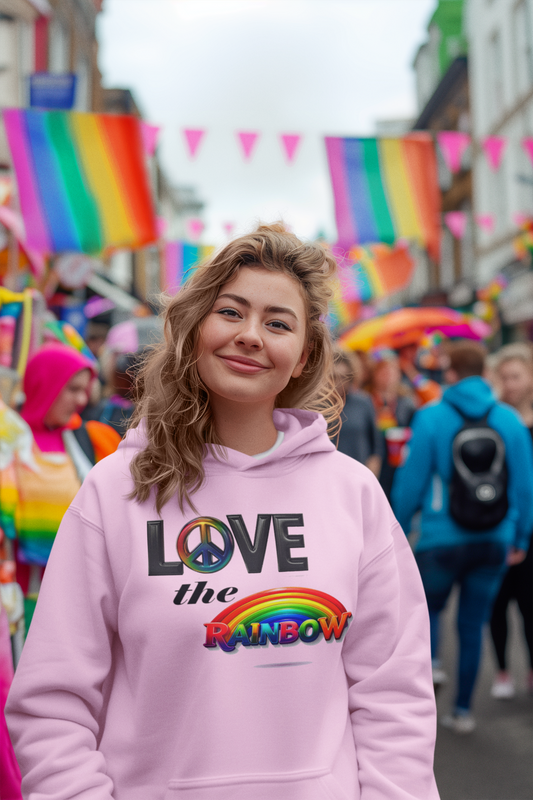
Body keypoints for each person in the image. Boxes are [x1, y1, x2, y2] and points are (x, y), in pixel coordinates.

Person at [6, 224, 439, 800]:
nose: (251, 336)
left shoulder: (352, 493)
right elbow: (54, 703)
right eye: (231, 312)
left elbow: (394, 695)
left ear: (303, 353)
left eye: (278, 323)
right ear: (194, 328)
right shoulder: (116, 490)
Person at [392, 341, 533, 734]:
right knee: (473, 624)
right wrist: (520, 536)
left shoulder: (430, 417)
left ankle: (433, 671)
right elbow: (525, 487)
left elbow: (411, 482)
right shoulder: (508, 420)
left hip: (440, 536)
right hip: (495, 536)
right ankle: (463, 711)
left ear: (450, 372)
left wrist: (399, 530)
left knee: (430, 610)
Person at [0, 344, 121, 629]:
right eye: (72, 389)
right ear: (45, 384)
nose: (81, 399)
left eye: (85, 390)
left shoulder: (89, 439)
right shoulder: (7, 439)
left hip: (73, 592)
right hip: (15, 589)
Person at [487, 343, 533, 698]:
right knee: (498, 603)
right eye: (504, 377)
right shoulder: (495, 419)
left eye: (516, 375)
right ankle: (502, 670)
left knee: (530, 604)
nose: (511, 383)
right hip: (499, 523)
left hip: (530, 526)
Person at [367, 349, 416, 499]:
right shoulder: (365, 400)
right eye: (383, 370)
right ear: (374, 374)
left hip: (398, 463)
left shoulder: (406, 402)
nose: (387, 375)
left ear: (399, 374)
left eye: (392, 370)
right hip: (372, 461)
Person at [332, 347, 382, 477]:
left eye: (343, 377)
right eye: (333, 377)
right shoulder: (316, 406)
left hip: (358, 476)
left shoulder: (363, 403)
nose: (338, 382)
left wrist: (370, 477)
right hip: (329, 478)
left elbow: (376, 447)